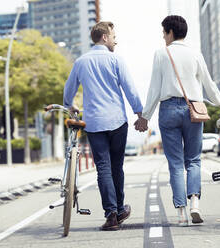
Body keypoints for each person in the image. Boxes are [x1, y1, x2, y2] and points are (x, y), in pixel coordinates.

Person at [135, 15, 220, 226]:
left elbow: (154, 89)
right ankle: (195, 202)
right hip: (193, 109)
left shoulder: (161, 54)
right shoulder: (196, 53)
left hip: (168, 110)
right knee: (193, 160)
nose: (163, 37)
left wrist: (145, 117)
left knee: (175, 164)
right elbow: (208, 82)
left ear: (170, 32)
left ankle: (181, 213)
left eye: (163, 33)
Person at [63, 21, 143, 231]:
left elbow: (68, 91)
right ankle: (119, 207)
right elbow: (130, 89)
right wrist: (140, 113)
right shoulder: (116, 59)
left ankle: (112, 214)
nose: (116, 39)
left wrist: (70, 105)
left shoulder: (80, 62)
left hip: (94, 123)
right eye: (113, 35)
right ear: (104, 37)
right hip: (117, 121)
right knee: (116, 166)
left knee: (103, 168)